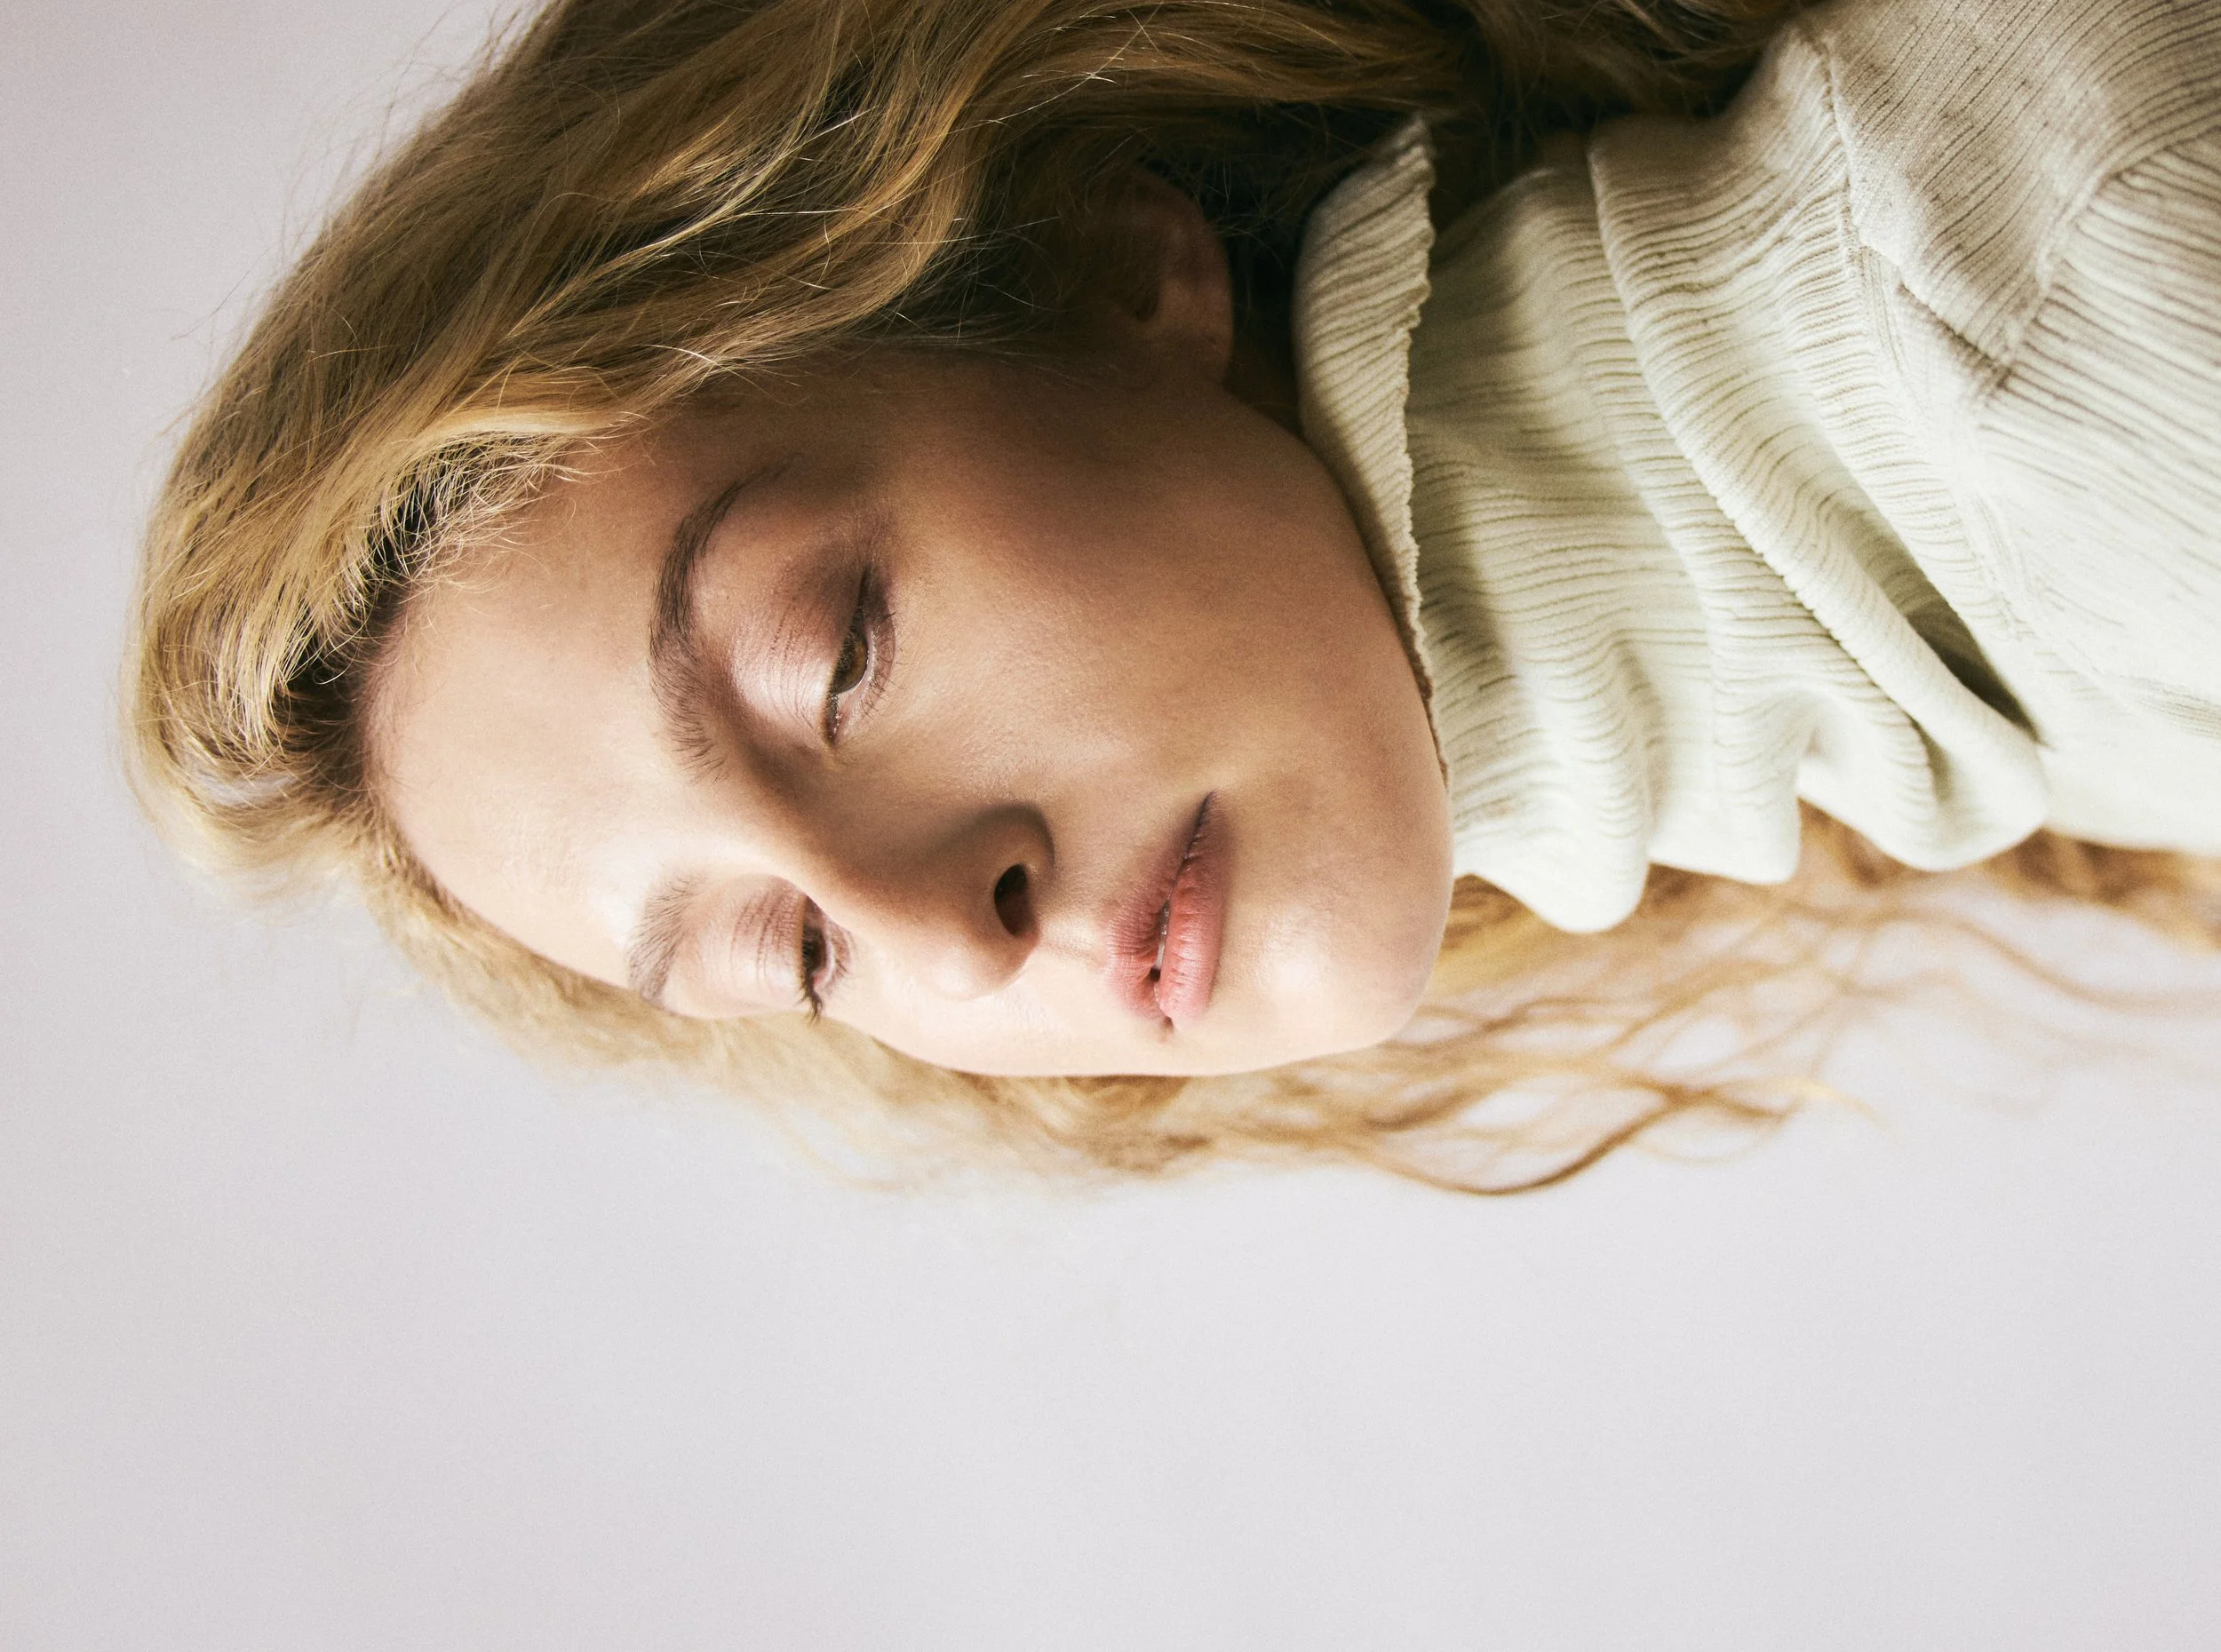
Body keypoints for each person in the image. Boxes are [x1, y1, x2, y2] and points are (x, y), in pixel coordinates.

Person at [127, 0, 2221, 1191]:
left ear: (1110, 268)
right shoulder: (1919, 615)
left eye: (831, 655)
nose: (952, 927)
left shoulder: (2091, 296)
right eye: (793, 952)